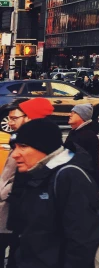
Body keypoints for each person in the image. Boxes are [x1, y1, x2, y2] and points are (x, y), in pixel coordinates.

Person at [9, 119, 99, 267]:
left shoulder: (69, 176)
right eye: (15, 147)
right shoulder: (37, 173)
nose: (15, 154)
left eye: (23, 146)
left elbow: (82, 242)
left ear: (44, 147)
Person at [0, 98, 53, 266]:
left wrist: (3, 193)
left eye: (14, 118)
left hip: (16, 214)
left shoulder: (36, 144)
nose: (9, 122)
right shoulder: (18, 139)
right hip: (12, 214)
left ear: (28, 117)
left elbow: (27, 178)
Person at [63, 104, 99, 191]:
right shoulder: (76, 132)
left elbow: (84, 162)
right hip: (79, 181)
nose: (70, 114)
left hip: (84, 184)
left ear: (82, 116)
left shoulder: (88, 135)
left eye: (74, 113)